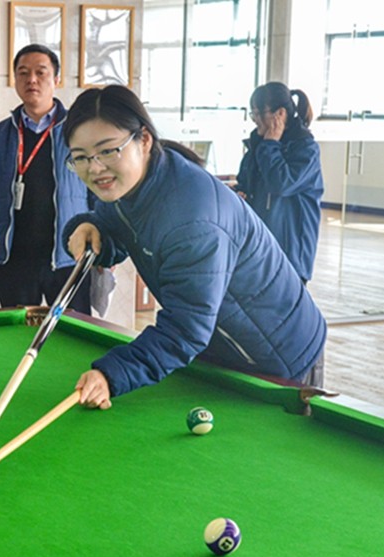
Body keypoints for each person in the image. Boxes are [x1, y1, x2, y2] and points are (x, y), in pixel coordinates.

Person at [61, 86, 327, 410]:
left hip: (280, 359)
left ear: (144, 140)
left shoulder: (193, 219)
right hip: (221, 350)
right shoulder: (129, 185)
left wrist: (112, 374)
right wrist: (90, 228)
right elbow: (119, 228)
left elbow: (185, 329)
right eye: (80, 157)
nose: (95, 168)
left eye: (107, 151)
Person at [0, 43, 92, 313]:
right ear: (15, 79)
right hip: (13, 261)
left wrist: (102, 246)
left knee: (74, 331)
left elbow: (99, 192)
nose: (32, 80)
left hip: (68, 257)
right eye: (23, 73)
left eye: (41, 72)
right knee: (18, 331)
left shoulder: (81, 133)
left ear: (56, 79)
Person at [234, 82, 324, 283]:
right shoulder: (258, 147)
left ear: (280, 114)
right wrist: (239, 193)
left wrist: (270, 145)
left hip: (290, 255)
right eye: (253, 113)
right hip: (258, 249)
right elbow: (246, 183)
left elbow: (281, 184)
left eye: (259, 113)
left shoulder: (305, 149)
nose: (255, 119)